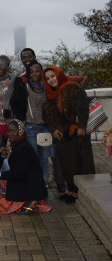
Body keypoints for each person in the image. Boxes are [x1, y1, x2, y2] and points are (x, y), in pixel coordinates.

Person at [42, 66, 95, 203]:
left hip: (77, 132)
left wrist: (82, 126)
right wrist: (53, 129)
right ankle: (71, 190)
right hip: (61, 134)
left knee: (81, 161)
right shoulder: (48, 94)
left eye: (52, 76)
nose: (51, 80)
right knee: (66, 164)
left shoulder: (73, 87)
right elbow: (46, 116)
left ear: (58, 74)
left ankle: (81, 192)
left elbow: (83, 107)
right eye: (47, 79)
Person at [0, 120, 52, 214]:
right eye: (8, 131)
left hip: (30, 185)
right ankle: (19, 203)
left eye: (14, 131)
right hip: (25, 181)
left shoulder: (23, 147)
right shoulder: (19, 144)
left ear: (20, 131)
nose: (10, 134)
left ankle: (18, 204)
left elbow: (17, 173)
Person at [11, 60, 50, 185]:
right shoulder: (25, 86)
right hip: (30, 127)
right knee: (33, 158)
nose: (34, 74)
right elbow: (13, 102)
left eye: (37, 71)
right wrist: (21, 118)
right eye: (31, 72)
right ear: (28, 73)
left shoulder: (46, 87)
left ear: (41, 72)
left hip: (45, 127)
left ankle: (44, 183)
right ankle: (34, 184)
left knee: (44, 158)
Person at [0, 55, 24, 137]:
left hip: (13, 123)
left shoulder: (16, 81)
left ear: (7, 66)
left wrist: (21, 120)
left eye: (2, 65)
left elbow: (21, 102)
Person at [19, 48, 88, 85]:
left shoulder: (45, 73)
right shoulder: (20, 79)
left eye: (29, 57)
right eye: (24, 58)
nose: (27, 59)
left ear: (34, 57)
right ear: (21, 60)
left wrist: (80, 78)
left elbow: (63, 78)